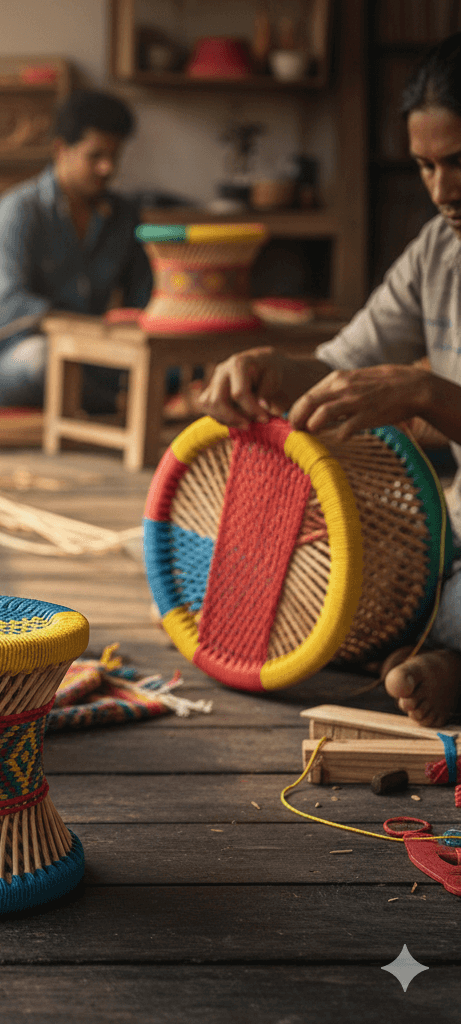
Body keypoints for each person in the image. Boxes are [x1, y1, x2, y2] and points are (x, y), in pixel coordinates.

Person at [197, 32, 461, 728]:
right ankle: (435, 651)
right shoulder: (440, 250)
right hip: (458, 534)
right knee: (332, 577)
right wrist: (272, 369)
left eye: (459, 162)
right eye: (426, 166)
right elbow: (340, 363)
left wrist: (426, 393)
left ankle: (444, 660)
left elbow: (415, 390)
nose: (443, 191)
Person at [0, 89, 153, 412]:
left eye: (114, 157)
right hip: (23, 353)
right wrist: (84, 329)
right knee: (45, 361)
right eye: (95, 156)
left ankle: (113, 397)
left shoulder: (125, 216)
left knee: (170, 365)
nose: (107, 168)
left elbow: (143, 299)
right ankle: (118, 404)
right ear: (61, 149)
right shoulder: (18, 210)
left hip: (97, 354)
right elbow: (11, 301)